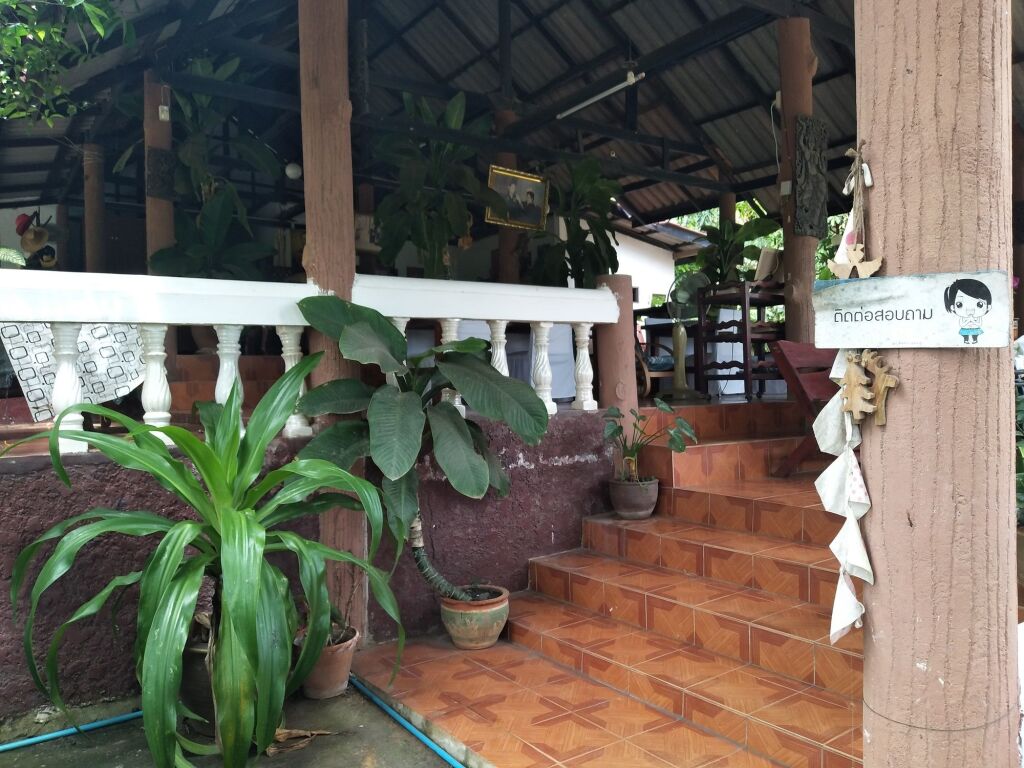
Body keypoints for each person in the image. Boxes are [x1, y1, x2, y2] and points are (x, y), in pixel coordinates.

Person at [943, 278, 992, 344]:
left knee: (975, 334)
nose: (970, 310)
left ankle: (975, 340)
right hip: (965, 329)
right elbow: (962, 324)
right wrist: (969, 320)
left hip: (975, 329)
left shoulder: (978, 317)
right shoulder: (963, 317)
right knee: (965, 335)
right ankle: (966, 340)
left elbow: (979, 324)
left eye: (980, 304)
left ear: (988, 307)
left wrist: (973, 321)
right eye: (959, 304)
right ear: (953, 307)